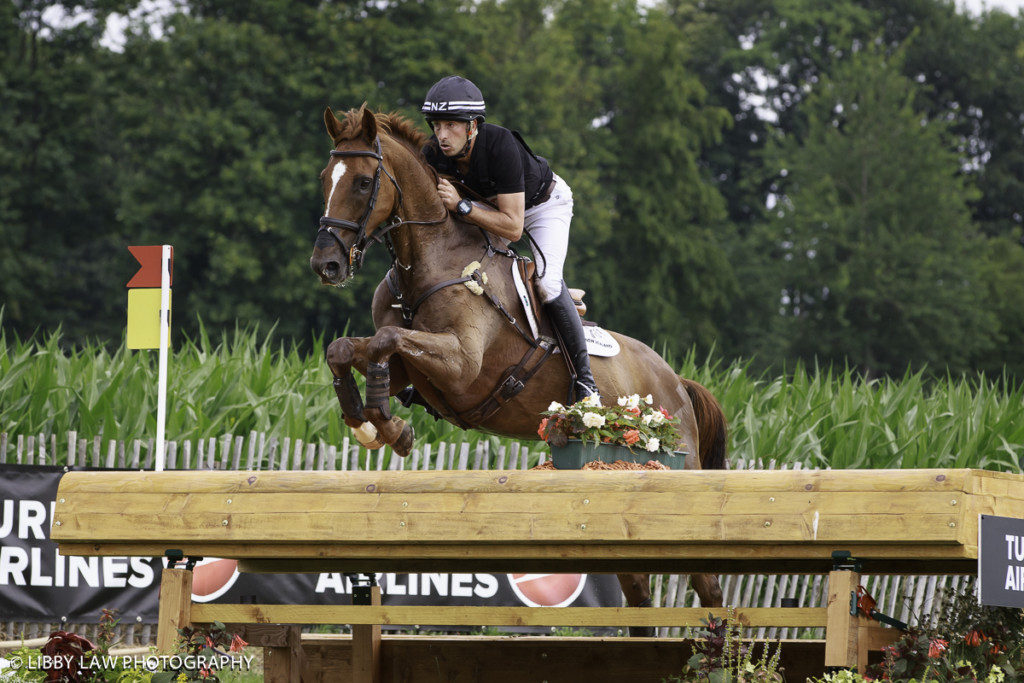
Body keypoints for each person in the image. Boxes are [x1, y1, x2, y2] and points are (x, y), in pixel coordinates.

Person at [420, 75, 599, 401]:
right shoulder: (434, 152)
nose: (442, 136)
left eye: (451, 125)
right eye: (436, 126)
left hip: (541, 208)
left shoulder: (499, 144)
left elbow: (513, 227)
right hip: (487, 210)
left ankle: (586, 383)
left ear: (473, 125)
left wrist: (461, 205)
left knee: (547, 284)